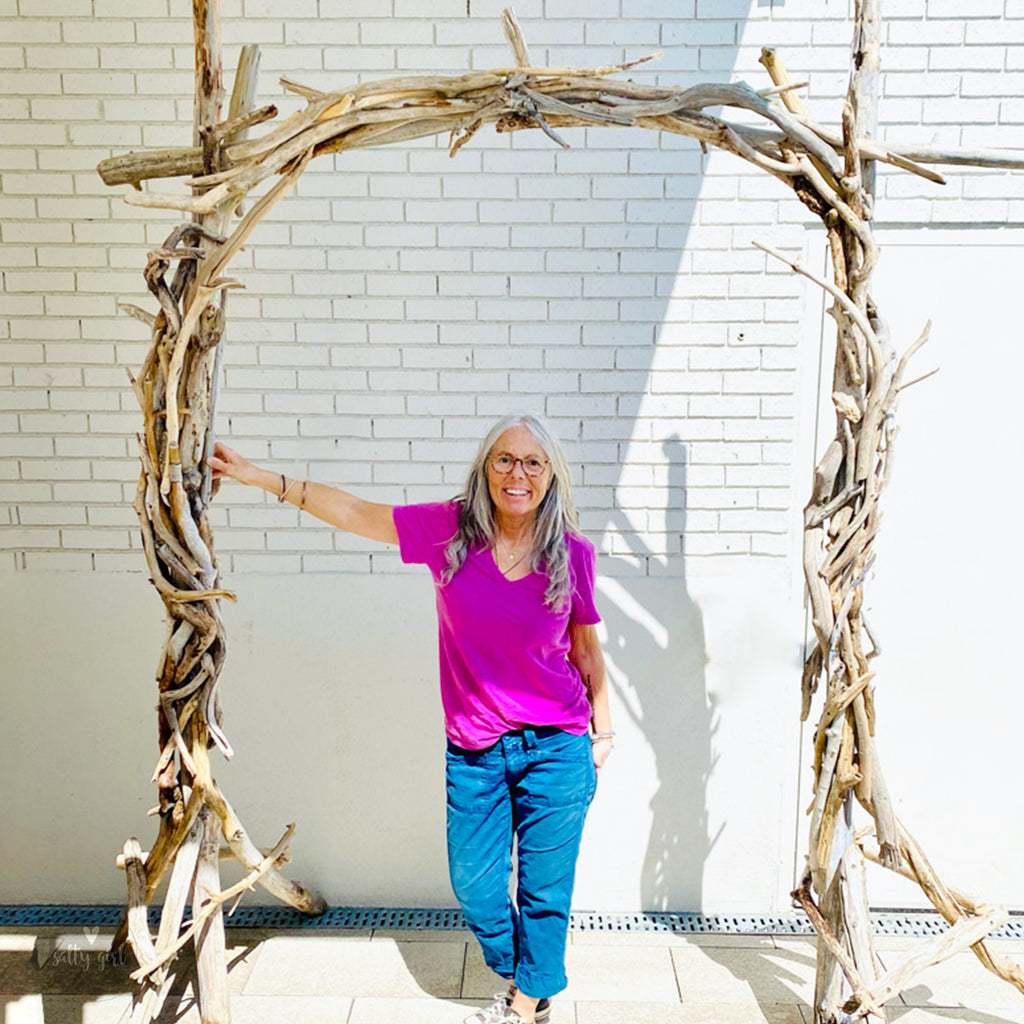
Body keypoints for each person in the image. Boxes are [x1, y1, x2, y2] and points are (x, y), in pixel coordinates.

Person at [207, 412, 613, 1024]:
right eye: (504, 459)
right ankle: (523, 975)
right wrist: (260, 477)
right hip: (475, 749)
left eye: (533, 462)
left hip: (557, 747)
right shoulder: (448, 532)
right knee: (475, 887)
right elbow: (353, 512)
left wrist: (602, 731)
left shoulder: (571, 554)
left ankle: (525, 1006)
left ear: (551, 474)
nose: (518, 473)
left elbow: (586, 653)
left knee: (545, 892)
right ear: (485, 468)